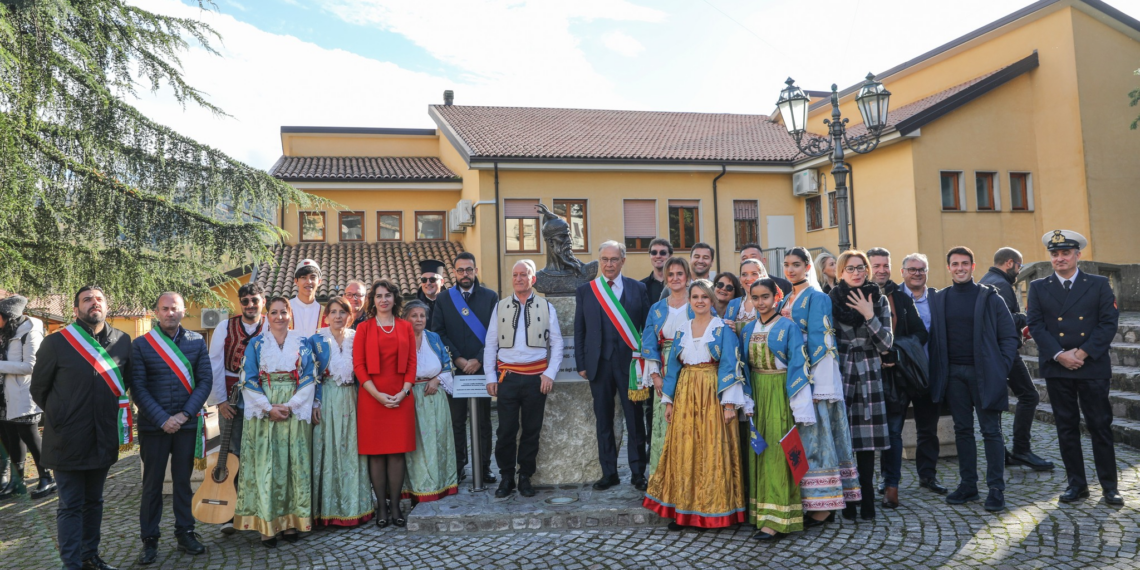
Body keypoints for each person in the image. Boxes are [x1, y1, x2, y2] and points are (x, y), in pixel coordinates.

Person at [30, 286, 132, 570]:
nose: (94, 303)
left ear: (106, 307)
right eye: (87, 300)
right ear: (75, 310)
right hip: (67, 438)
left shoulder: (123, 341)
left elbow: (126, 384)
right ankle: (71, 563)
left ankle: (90, 556)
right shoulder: (56, 343)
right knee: (71, 504)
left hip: (104, 436)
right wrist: (65, 414)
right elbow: (39, 389)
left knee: (94, 502)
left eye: (99, 298)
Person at [642, 279, 748, 530]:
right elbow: (674, 369)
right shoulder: (682, 329)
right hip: (686, 391)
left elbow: (730, 366)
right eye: (695, 297)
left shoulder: (722, 329)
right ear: (690, 301)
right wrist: (668, 402)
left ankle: (716, 510)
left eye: (704, 297)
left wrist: (729, 404)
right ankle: (684, 511)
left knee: (712, 450)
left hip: (713, 392)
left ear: (712, 300)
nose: (700, 301)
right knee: (685, 450)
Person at [1026, 230, 1122, 506]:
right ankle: (1076, 485)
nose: (1060, 258)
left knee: (1100, 426)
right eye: (1055, 254)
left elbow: (1108, 323)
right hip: (1058, 367)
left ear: (1077, 255)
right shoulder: (1039, 287)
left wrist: (1080, 352)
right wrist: (1059, 354)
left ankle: (1109, 487)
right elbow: (1036, 326)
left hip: (1090, 365)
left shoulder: (1099, 284)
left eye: (1065, 253)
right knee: (1066, 428)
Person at [928, 246, 1019, 513]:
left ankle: (996, 489)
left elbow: (1009, 336)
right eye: (955, 264)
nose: (960, 268)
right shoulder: (941, 298)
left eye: (964, 263)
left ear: (973, 266)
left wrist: (999, 367)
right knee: (963, 431)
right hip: (954, 375)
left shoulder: (990, 298)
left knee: (991, 431)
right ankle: (968, 485)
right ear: (948, 268)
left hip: (985, 374)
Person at [779, 247, 858, 528]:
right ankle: (806, 501)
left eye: (797, 265)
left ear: (807, 266)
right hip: (789, 377)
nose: (791, 270)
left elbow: (821, 342)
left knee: (817, 440)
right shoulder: (785, 297)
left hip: (812, 380)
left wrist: (816, 386)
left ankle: (825, 506)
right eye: (787, 264)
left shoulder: (817, 298)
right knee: (799, 442)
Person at [130, 292, 211, 563]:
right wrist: (163, 419)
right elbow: (137, 388)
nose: (169, 313)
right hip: (154, 427)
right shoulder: (141, 345)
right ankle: (149, 540)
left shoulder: (197, 341)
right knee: (152, 485)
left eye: (174, 308)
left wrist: (184, 414)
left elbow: (205, 382)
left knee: (182, 482)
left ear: (183, 311)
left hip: (186, 425)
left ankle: (185, 532)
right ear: (156, 312)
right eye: (164, 309)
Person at [235, 296, 317, 546]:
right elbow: (247, 379)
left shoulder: (302, 342)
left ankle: (291, 522)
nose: (279, 317)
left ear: (290, 314)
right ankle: (267, 526)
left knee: (293, 465)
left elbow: (309, 376)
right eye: (274, 312)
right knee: (266, 465)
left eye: (284, 312)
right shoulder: (256, 344)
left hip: (294, 406)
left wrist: (291, 405)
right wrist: (267, 407)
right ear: (266, 316)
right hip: (264, 409)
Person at [576, 241, 651, 491]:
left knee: (635, 420)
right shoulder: (587, 290)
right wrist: (581, 362)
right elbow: (580, 329)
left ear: (623, 261)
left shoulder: (637, 288)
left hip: (630, 365)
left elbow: (645, 328)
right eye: (605, 259)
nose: (609, 264)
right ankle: (609, 473)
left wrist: (646, 361)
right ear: (600, 261)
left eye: (614, 259)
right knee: (604, 420)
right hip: (598, 365)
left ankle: (638, 472)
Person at [484, 260, 563, 498]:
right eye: (515, 274)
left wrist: (549, 373)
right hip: (507, 378)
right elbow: (490, 343)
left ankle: (525, 476)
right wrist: (490, 376)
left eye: (524, 274)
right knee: (506, 431)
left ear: (533, 279)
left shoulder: (546, 307)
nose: (518, 278)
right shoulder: (500, 307)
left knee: (531, 430)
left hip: (535, 379)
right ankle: (506, 476)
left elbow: (557, 343)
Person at [740, 278, 810, 540]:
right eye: (755, 297)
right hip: (757, 392)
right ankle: (761, 513)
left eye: (765, 297)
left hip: (780, 391)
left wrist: (798, 404)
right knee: (760, 450)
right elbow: (744, 366)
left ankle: (779, 519)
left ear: (776, 297)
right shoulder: (747, 329)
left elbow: (797, 365)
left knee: (780, 451)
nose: (761, 302)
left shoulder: (788, 327)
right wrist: (747, 397)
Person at [829, 249, 893, 521]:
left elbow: (887, 344)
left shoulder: (877, 300)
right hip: (840, 372)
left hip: (868, 372)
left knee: (866, 445)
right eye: (850, 268)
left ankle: (867, 499)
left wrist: (869, 314)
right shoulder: (829, 300)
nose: (857, 273)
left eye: (860, 267)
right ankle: (847, 500)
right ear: (840, 272)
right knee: (842, 441)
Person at [978, 247, 1054, 471]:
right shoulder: (1001, 284)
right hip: (1004, 353)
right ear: (1010, 263)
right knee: (1029, 396)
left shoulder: (988, 279)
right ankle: (1022, 450)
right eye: (1019, 267)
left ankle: (1003, 454)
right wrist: (1025, 319)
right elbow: (1000, 321)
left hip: (994, 353)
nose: (1019, 272)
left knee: (998, 401)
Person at [866, 248, 929, 509]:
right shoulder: (853, 295)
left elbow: (920, 333)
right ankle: (863, 486)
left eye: (885, 265)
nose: (881, 270)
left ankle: (891, 485)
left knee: (893, 433)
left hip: (895, 378)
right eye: (876, 265)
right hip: (864, 376)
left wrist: (894, 351)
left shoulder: (901, 299)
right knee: (865, 434)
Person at [431, 252, 498, 484]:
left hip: (482, 369)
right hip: (455, 371)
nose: (465, 274)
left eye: (469, 270)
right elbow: (438, 332)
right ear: (455, 273)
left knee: (483, 422)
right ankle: (458, 466)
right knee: (456, 422)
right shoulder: (444, 299)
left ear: (476, 271)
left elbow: (494, 333)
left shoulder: (490, 297)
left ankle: (484, 467)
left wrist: (478, 359)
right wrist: (458, 359)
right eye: (460, 270)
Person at [354, 279, 417, 527]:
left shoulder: (405, 327)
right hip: (372, 398)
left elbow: (412, 362)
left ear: (394, 298)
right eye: (379, 296)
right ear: (373, 300)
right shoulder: (364, 328)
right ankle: (381, 506)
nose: (383, 300)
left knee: (397, 453)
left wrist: (403, 392)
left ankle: (395, 507)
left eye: (387, 295)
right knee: (377, 455)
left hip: (400, 396)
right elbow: (358, 366)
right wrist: (377, 395)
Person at [206, 282, 266, 535]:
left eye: (255, 300)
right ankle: (233, 511)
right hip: (231, 395)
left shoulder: (273, 323)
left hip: (265, 395)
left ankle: (261, 509)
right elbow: (215, 364)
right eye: (245, 301)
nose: (250, 305)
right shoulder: (225, 326)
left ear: (263, 301)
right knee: (232, 452)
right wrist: (220, 401)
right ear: (239, 303)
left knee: (261, 450)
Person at [308, 297, 373, 527]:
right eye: (333, 312)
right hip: (326, 399)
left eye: (342, 312)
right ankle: (326, 510)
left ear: (350, 316)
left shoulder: (358, 338)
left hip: (352, 398)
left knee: (351, 450)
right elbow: (310, 375)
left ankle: (355, 507)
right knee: (327, 451)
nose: (338, 316)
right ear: (326, 317)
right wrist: (314, 403)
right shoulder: (315, 340)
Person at [897, 253, 948, 495]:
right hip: (899, 375)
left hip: (928, 373)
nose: (917, 273)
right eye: (912, 269)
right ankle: (889, 480)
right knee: (892, 430)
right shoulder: (891, 298)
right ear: (902, 272)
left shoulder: (938, 299)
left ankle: (928, 476)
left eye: (921, 269)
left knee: (928, 429)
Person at [641, 257, 695, 477]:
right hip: (664, 370)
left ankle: (687, 476)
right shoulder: (657, 308)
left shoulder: (698, 302)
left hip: (692, 369)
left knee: (689, 424)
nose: (675, 278)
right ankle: (664, 479)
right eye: (670, 274)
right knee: (665, 423)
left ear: (687, 276)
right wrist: (655, 376)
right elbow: (649, 342)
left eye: (679, 274)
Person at [402, 300, 459, 502]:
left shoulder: (434, 338)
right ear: (405, 318)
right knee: (415, 444)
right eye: (414, 315)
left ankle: (439, 485)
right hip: (410, 398)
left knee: (436, 442)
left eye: (422, 316)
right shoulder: (400, 338)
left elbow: (447, 364)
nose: (419, 319)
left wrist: (436, 379)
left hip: (434, 397)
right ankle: (416, 488)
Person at [0, 295, 52, 500]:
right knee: (10, 438)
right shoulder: (5, 332)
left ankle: (47, 478)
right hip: (4, 395)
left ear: (8, 316)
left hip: (23, 394)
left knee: (31, 438)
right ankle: (17, 480)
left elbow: (32, 366)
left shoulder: (31, 331)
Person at [723, 259, 765, 335]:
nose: (748, 278)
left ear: (763, 276)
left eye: (754, 274)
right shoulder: (733, 303)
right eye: (744, 274)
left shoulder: (772, 303)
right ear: (740, 279)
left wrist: (739, 328)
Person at [289, 258, 323, 336]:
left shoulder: (325, 313)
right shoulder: (284, 309)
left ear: (319, 282)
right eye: (303, 277)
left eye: (312, 277)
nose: (308, 282)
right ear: (296, 281)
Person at [641, 238, 672, 303]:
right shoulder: (641, 286)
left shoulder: (678, 284)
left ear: (670, 256)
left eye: (662, 253)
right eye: (654, 252)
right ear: (650, 255)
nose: (658, 256)